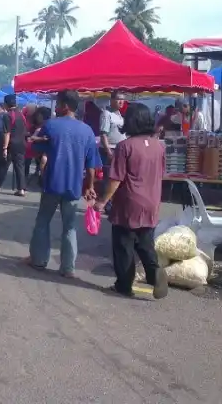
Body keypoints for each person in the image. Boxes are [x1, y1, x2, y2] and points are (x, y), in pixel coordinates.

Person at [94, 103, 169, 299]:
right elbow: (161, 174)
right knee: (145, 243)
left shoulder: (124, 146)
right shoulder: (159, 146)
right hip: (151, 201)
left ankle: (124, 285)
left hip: (128, 203)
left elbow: (116, 179)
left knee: (123, 245)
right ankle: (155, 273)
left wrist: (102, 202)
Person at [27, 91, 101, 277]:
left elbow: (36, 149)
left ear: (65, 105)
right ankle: (68, 268)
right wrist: (90, 187)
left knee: (43, 221)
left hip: (52, 183)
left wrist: (37, 138)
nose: (56, 107)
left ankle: (38, 260)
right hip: (74, 186)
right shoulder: (87, 131)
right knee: (70, 226)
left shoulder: (50, 125)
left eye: (58, 103)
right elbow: (91, 166)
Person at [0, 94, 27, 196]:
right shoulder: (21, 115)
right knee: (20, 167)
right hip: (21, 143)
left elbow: (7, 133)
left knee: (3, 165)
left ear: (5, 104)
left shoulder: (7, 116)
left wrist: (4, 148)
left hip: (11, 144)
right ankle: (21, 189)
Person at [99, 92, 127, 175]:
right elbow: (103, 134)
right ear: (111, 100)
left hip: (120, 149)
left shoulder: (120, 115)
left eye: (122, 99)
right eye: (118, 99)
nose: (121, 101)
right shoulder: (106, 113)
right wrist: (108, 151)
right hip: (110, 149)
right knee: (109, 175)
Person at [26, 106, 52, 184]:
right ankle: (39, 174)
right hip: (38, 147)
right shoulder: (37, 125)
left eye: (39, 116)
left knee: (43, 160)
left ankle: (43, 177)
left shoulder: (48, 125)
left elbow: (46, 138)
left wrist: (36, 138)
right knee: (41, 160)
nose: (37, 117)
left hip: (45, 148)